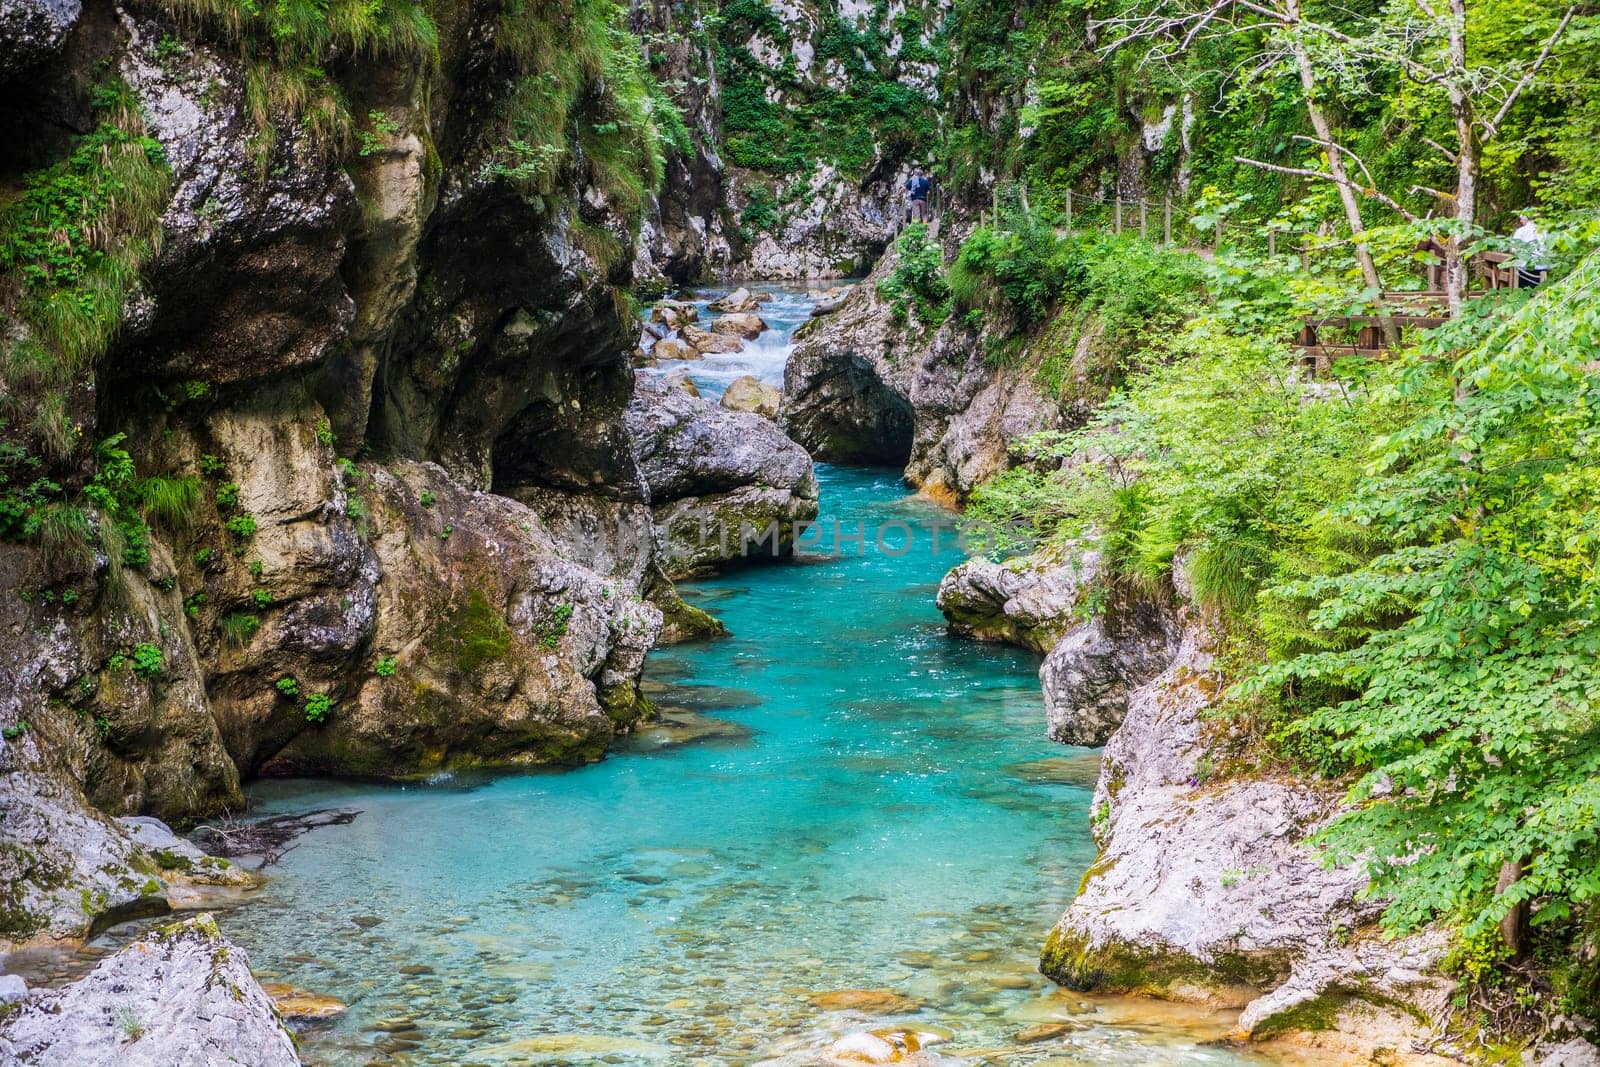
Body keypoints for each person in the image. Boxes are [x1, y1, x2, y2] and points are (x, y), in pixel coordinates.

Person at [1512, 212, 1549, 288]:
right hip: (1541, 265)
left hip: (1525, 265)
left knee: (1524, 288)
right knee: (1537, 288)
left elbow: (1514, 248)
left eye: (1521, 219)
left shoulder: (1520, 231)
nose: (1520, 221)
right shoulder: (1544, 231)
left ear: (1526, 219)